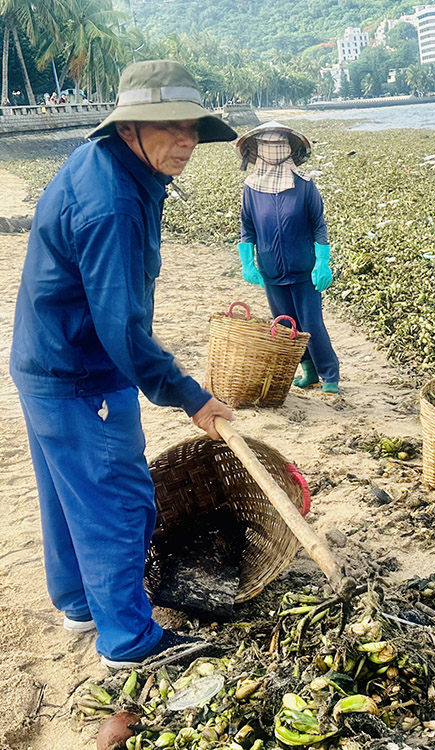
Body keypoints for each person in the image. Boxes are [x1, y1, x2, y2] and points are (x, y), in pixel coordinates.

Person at [9, 60, 237, 670]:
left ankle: (81, 604)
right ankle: (129, 641)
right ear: (130, 126)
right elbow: (123, 329)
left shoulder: (114, 166)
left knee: (69, 490)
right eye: (170, 126)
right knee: (119, 497)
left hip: (44, 359)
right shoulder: (112, 202)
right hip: (81, 369)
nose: (186, 139)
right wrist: (190, 395)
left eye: (192, 126)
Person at [235, 121, 339, 394]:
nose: (272, 150)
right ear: (257, 151)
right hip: (271, 270)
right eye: (267, 145)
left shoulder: (304, 185)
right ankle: (309, 373)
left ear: (288, 150)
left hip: (305, 270)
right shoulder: (251, 189)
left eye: (278, 145)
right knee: (286, 325)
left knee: (312, 323)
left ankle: (330, 376)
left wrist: (322, 261)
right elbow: (247, 228)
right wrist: (247, 262)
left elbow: (319, 225)